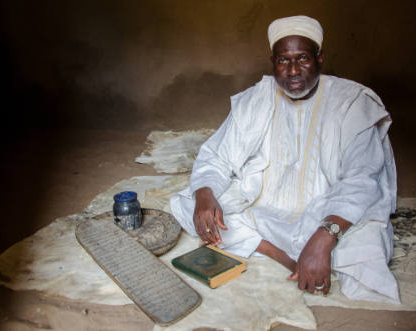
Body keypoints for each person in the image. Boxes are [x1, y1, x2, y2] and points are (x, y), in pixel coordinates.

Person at [170, 15, 400, 303]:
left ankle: (308, 251)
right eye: (283, 60)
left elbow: (362, 178)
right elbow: (217, 155)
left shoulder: (351, 102)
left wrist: (325, 237)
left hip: (329, 209)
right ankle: (279, 254)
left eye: (302, 58)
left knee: (369, 241)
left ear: (319, 58)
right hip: (264, 208)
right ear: (272, 62)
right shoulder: (258, 97)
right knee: (193, 206)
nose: (292, 71)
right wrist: (204, 193)